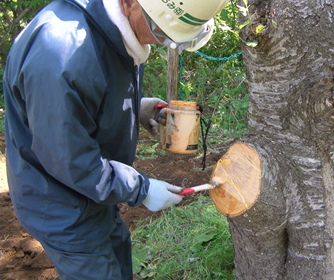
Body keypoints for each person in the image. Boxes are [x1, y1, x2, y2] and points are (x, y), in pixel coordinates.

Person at [2, 0, 228, 279]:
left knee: (119, 257)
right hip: (61, 203)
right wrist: (140, 189)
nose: (163, 41)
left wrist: (137, 106)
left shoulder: (115, 31)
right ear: (129, 3)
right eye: (162, 32)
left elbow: (88, 100)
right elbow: (69, 158)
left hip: (92, 193)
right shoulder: (60, 54)